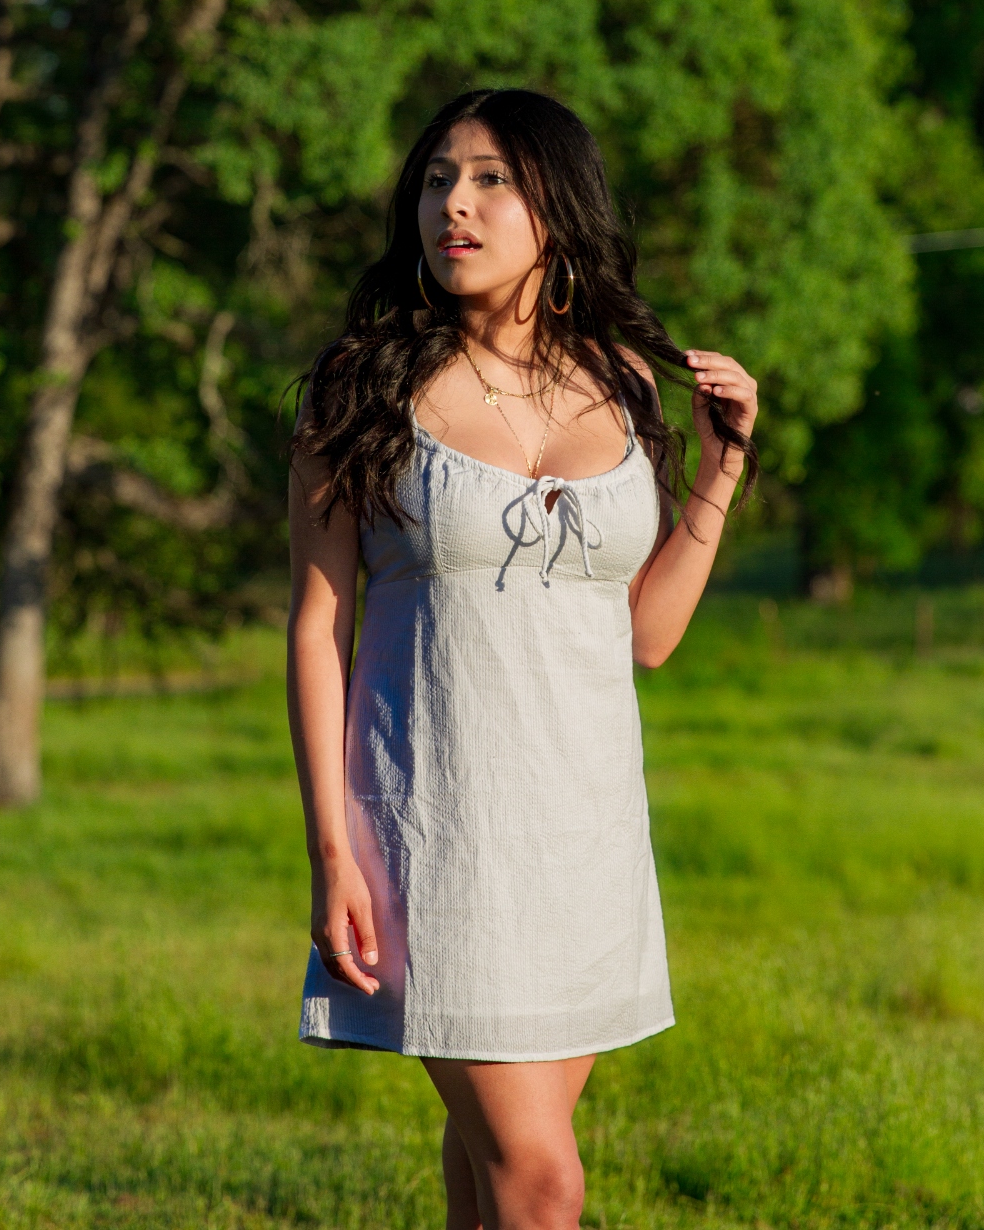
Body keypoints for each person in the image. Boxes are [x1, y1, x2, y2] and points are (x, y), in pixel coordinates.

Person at [287, 88, 758, 1230]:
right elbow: (315, 625)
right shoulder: (362, 385)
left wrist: (721, 470)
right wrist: (331, 856)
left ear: (559, 202)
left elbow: (645, 635)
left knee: (492, 1169)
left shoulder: (630, 385)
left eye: (491, 178)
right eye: (440, 179)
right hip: (433, 834)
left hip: (585, 839)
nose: (455, 204)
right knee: (544, 1181)